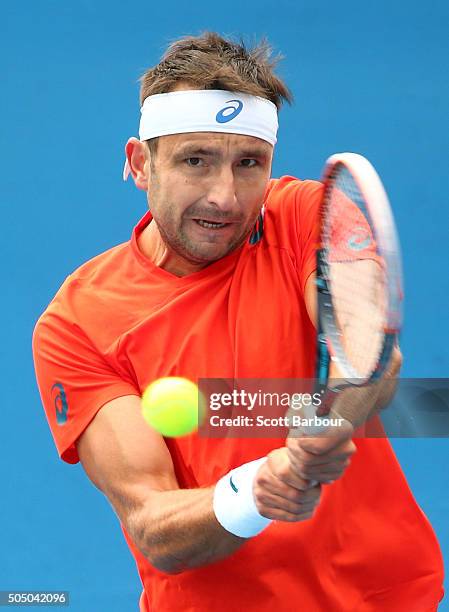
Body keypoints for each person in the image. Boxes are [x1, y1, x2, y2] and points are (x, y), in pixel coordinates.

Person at [32, 32, 444, 611]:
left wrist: (330, 421)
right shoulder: (77, 322)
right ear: (139, 163)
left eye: (248, 163)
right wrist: (256, 490)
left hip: (384, 596)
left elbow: (368, 352)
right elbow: (153, 525)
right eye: (195, 160)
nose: (224, 197)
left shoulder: (310, 212)